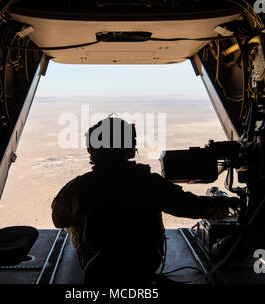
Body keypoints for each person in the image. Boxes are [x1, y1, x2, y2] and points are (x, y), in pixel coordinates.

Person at [51, 117, 239, 284]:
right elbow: (189, 206)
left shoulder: (80, 187)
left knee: (71, 222)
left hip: (99, 266)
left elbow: (58, 219)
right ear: (129, 147)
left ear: (93, 149)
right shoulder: (149, 182)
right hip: (146, 261)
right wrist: (225, 205)